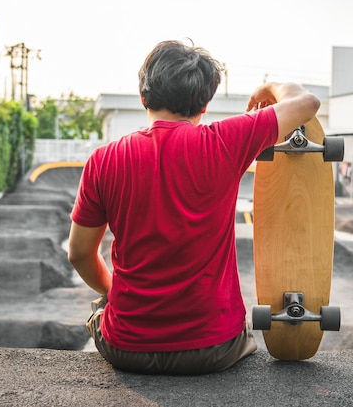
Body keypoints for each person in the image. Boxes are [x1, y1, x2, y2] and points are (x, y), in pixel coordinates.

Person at [68, 40, 320, 374]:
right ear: (204, 103)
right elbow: (308, 102)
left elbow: (79, 254)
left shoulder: (103, 160)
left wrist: (114, 292)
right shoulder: (225, 141)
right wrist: (268, 87)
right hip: (214, 349)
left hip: (126, 348)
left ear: (143, 96)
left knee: (103, 306)